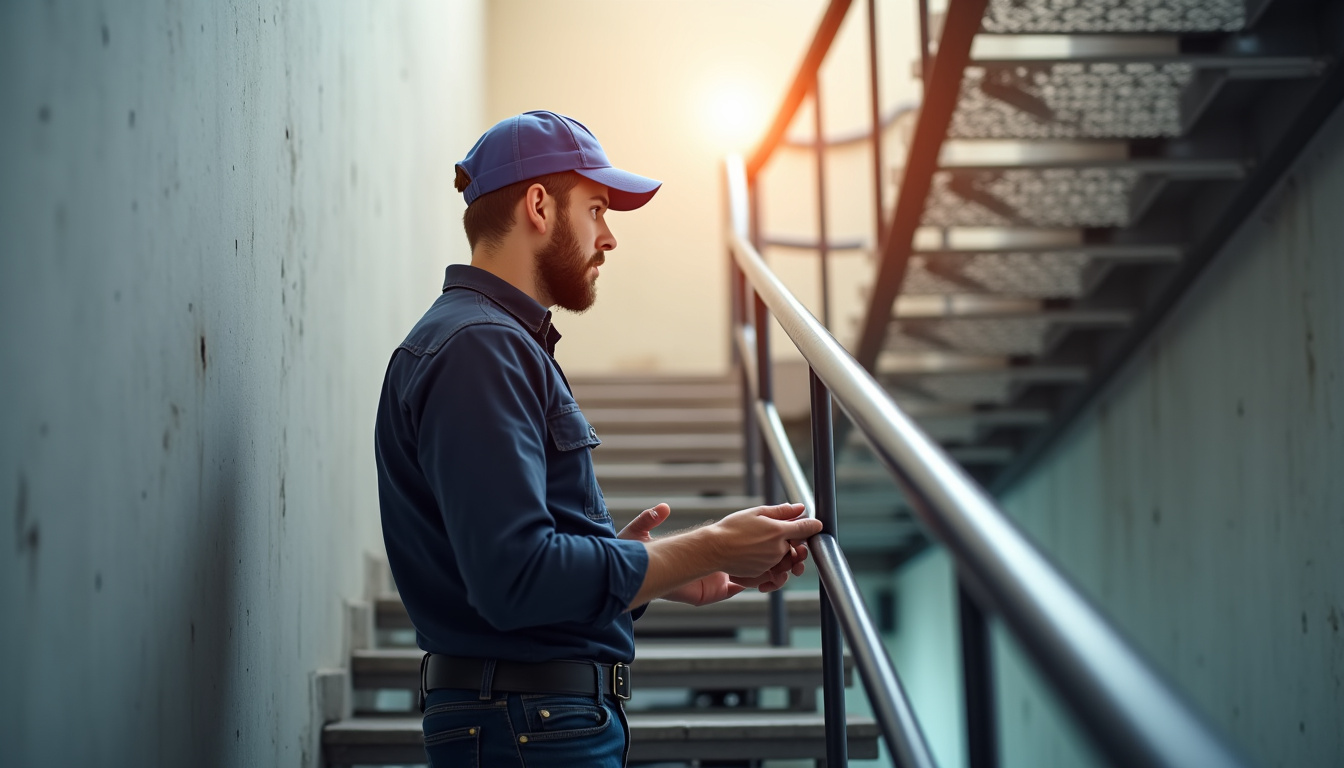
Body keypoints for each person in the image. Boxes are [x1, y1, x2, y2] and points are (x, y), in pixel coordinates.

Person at [374, 110, 822, 768]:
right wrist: (709, 545)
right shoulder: (480, 348)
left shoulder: (488, 342)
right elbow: (516, 579)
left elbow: (513, 574)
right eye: (596, 210)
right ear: (538, 206)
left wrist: (661, 570)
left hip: (530, 720)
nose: (608, 238)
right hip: (528, 725)